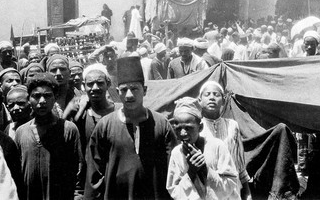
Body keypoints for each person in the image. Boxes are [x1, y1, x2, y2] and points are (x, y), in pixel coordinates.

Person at [85, 56, 177, 199]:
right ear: (117, 91)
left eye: (134, 89)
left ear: (144, 90)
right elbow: (94, 174)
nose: (129, 95)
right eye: (123, 90)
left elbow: (173, 170)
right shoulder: (105, 125)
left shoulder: (161, 124)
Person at [15, 73, 82, 200]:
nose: (42, 101)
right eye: (36, 96)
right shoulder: (21, 132)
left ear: (55, 97)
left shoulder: (68, 129)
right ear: (29, 98)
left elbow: (77, 169)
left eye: (47, 96)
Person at [167, 96, 241, 200]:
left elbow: (231, 184)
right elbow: (175, 192)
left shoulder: (217, 146)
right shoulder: (177, 153)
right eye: (178, 129)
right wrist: (191, 171)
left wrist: (204, 169)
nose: (183, 133)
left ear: (200, 127)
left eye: (188, 128)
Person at [71, 64, 121, 198]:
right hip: (90, 182)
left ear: (108, 83)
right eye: (90, 84)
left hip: (118, 178)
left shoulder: (120, 111)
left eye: (100, 83)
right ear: (84, 85)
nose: (95, 88)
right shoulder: (81, 115)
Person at [198, 81, 251, 200]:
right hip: (207, 191)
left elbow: (240, 164)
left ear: (223, 100)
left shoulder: (233, 126)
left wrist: (247, 194)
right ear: (199, 100)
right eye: (207, 94)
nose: (212, 98)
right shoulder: (196, 128)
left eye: (216, 95)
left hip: (232, 190)